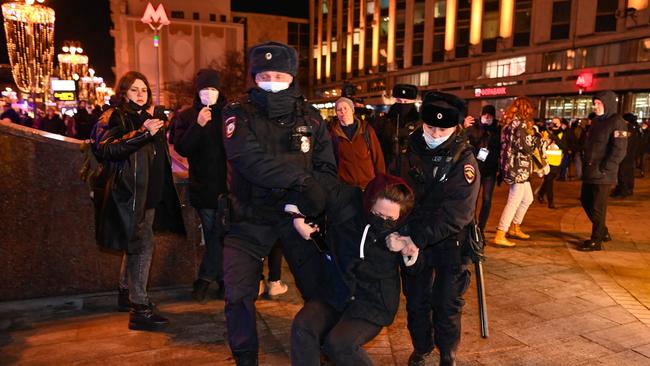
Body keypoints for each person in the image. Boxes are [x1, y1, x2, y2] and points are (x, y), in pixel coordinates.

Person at [220, 41, 338, 365]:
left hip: (296, 217)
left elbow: (326, 168)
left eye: (279, 74)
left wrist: (309, 200)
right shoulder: (236, 113)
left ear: (292, 76)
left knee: (319, 288)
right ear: (254, 77)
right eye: (264, 75)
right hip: (249, 217)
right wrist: (302, 180)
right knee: (237, 295)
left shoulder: (311, 118)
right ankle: (245, 358)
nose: (272, 81)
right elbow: (249, 160)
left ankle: (326, 346)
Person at [386, 91, 480, 366]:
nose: (435, 133)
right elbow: (393, 192)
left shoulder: (465, 160)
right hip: (412, 239)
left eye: (443, 129)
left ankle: (447, 350)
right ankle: (422, 346)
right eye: (430, 127)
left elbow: (459, 212)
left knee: (447, 302)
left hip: (450, 242)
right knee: (415, 300)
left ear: (456, 127)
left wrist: (417, 238)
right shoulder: (406, 152)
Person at [91, 71, 185, 330]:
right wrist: (143, 134)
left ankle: (125, 293)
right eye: (134, 89)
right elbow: (105, 148)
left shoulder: (147, 116)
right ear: (123, 92)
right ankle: (140, 308)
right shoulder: (114, 116)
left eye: (144, 89)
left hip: (149, 193)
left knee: (135, 244)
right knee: (142, 247)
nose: (140, 93)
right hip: (129, 195)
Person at [291, 173, 417, 365]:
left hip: (372, 302)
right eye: (377, 214)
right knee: (303, 325)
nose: (382, 220)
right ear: (369, 202)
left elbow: (424, 261)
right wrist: (298, 215)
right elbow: (310, 182)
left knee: (339, 344)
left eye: (389, 219)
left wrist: (411, 249)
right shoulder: (348, 202)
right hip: (337, 292)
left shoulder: (406, 229)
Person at [170, 68, 228, 302]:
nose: (209, 94)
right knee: (215, 234)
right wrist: (199, 124)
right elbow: (182, 148)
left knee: (221, 234)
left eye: (213, 89)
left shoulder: (229, 114)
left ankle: (206, 279)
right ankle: (221, 280)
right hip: (203, 187)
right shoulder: (186, 116)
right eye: (204, 89)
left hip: (228, 187)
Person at [578, 91, 628, 251]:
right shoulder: (596, 122)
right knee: (585, 200)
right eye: (595, 103)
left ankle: (596, 240)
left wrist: (606, 168)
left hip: (603, 173)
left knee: (599, 207)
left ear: (607, 104)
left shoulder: (617, 122)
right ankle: (603, 231)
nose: (596, 106)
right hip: (590, 171)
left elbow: (619, 149)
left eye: (599, 103)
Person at [493, 97, 537, 247]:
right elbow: (525, 146)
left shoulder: (508, 124)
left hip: (512, 166)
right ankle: (501, 232)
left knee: (527, 198)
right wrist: (537, 139)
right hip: (518, 168)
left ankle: (514, 226)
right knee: (514, 201)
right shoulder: (520, 124)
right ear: (525, 110)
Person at [329, 96, 386, 189]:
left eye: (345, 108)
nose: (343, 112)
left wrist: (381, 181)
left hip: (369, 185)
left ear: (352, 110)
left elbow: (378, 157)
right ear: (337, 114)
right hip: (347, 188)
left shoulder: (366, 130)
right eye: (339, 110)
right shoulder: (333, 135)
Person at [463, 104, 501, 233]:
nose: (487, 118)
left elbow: (500, 148)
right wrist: (464, 127)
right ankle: (471, 226)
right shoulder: (474, 126)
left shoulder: (497, 129)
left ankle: (481, 228)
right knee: (472, 198)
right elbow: (462, 140)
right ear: (481, 115)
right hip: (475, 169)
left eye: (490, 116)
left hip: (490, 170)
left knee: (486, 199)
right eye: (485, 115)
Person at [380, 84, 420, 175]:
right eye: (399, 100)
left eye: (406, 101)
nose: (402, 104)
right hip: (389, 170)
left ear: (413, 101)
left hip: (411, 173)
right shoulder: (386, 122)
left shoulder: (419, 124)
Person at [537, 117, 569, 208]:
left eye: (557, 123)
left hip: (556, 162)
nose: (554, 125)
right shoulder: (547, 133)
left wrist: (554, 138)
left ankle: (541, 193)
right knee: (549, 180)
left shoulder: (563, 134)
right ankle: (550, 202)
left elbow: (565, 147)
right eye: (553, 123)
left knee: (548, 180)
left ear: (560, 124)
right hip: (546, 161)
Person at [611, 113, 641, 198]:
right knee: (630, 173)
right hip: (632, 155)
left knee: (622, 173)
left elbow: (616, 135)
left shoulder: (627, 129)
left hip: (625, 155)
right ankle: (629, 189)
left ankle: (623, 191)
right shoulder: (636, 129)